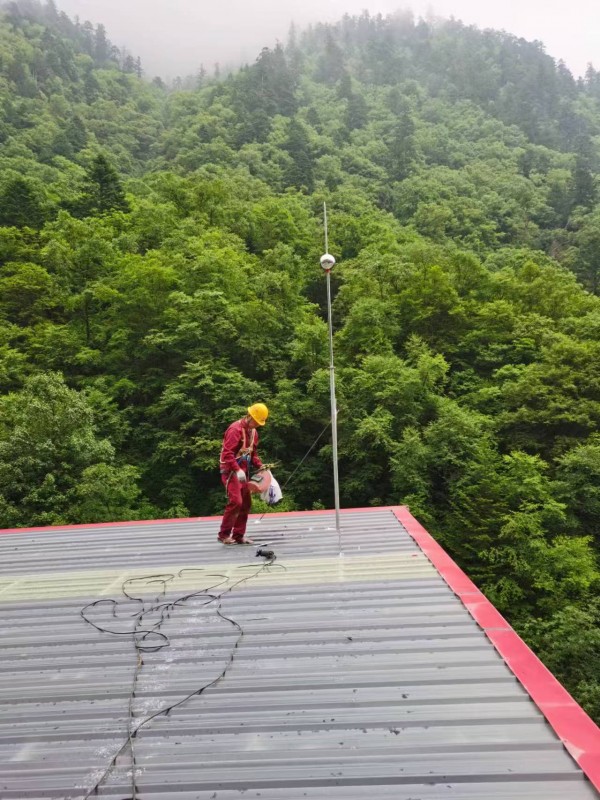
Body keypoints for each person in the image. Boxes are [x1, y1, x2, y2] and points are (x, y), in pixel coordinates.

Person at [217, 403, 269, 544]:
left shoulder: (253, 433)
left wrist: (261, 466)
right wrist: (237, 469)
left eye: (259, 423)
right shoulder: (235, 430)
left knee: (246, 503)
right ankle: (223, 535)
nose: (257, 425)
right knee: (236, 501)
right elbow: (227, 454)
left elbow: (253, 455)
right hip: (229, 470)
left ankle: (238, 536)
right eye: (256, 422)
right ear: (249, 416)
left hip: (242, 471)